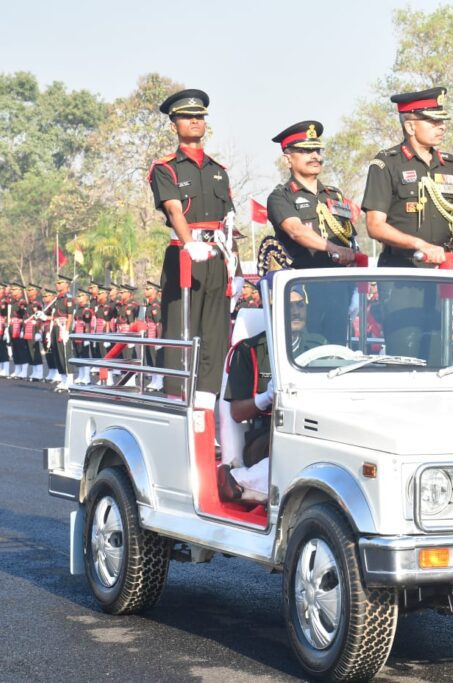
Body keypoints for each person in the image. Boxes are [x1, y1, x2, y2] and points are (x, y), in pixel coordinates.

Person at [362, 87, 453, 359]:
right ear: (410, 126)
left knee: (442, 355)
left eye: (442, 121)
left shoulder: (450, 166)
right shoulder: (386, 164)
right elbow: (375, 225)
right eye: (433, 121)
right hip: (403, 276)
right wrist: (420, 244)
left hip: (444, 275)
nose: (441, 127)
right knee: (406, 355)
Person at [149, 88, 233, 405]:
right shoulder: (166, 167)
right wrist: (190, 243)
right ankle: (177, 399)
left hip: (216, 255)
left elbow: (229, 219)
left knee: (214, 332)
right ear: (175, 125)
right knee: (181, 331)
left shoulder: (217, 171)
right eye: (187, 117)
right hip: (185, 255)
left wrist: (233, 262)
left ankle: (206, 403)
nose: (195, 122)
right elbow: (173, 209)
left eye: (199, 117)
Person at [220, 283, 326, 502]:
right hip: (266, 435)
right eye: (289, 306)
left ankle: (247, 482)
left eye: (300, 305)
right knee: (297, 448)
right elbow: (237, 413)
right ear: (274, 310)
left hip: (314, 428)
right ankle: (241, 480)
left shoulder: (319, 345)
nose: (296, 311)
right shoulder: (249, 350)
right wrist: (266, 397)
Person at [264, 120, 357, 344]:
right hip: (302, 290)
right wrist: (333, 249)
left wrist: (354, 284)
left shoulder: (334, 195)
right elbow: (296, 231)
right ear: (288, 159)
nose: (315, 156)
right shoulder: (281, 196)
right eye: (305, 151)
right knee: (306, 348)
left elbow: (349, 238)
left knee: (337, 350)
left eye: (317, 150)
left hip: (337, 287)